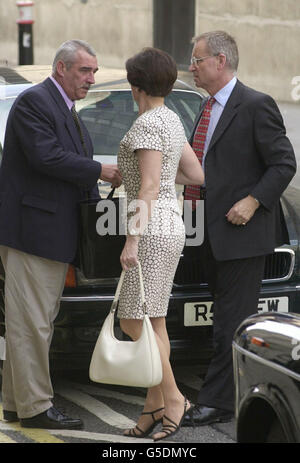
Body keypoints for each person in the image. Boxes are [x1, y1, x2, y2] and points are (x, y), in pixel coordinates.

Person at [0, 39, 121, 429]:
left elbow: (68, 162)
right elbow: (46, 156)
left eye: (94, 71)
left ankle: (16, 402)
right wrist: (99, 171)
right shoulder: (36, 102)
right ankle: (36, 407)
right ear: (61, 69)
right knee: (32, 323)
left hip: (50, 234)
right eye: (84, 70)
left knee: (31, 322)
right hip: (33, 233)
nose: (91, 78)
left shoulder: (68, 108)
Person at [181, 31, 296, 427]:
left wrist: (252, 201)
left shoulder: (255, 104)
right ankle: (226, 392)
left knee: (231, 322)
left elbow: (283, 163)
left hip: (242, 236)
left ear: (221, 61)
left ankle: (219, 403)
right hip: (205, 234)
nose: (191, 67)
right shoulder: (205, 106)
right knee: (221, 321)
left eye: (197, 60)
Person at [116, 47, 204, 441]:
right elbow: (195, 173)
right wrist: (145, 174)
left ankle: (173, 399)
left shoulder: (147, 125)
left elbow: (150, 186)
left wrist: (131, 239)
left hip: (150, 231)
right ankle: (153, 406)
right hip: (171, 222)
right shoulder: (171, 119)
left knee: (132, 319)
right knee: (153, 319)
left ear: (136, 87)